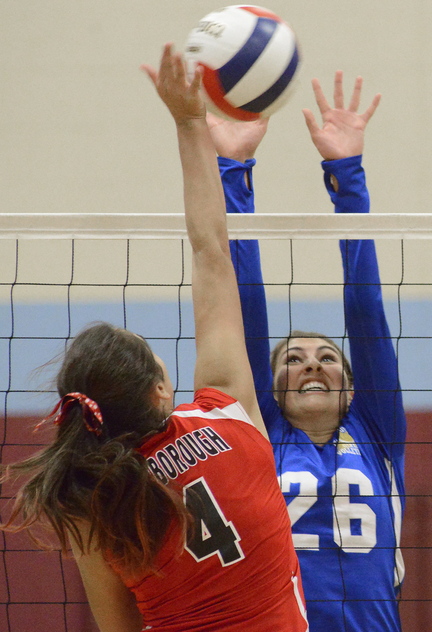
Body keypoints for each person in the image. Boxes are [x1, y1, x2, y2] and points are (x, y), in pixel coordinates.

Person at [0, 46, 309, 632]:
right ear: (161, 392)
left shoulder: (94, 504)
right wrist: (191, 125)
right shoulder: (228, 416)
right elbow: (212, 253)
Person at [209, 72, 406, 632]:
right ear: (268, 387)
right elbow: (243, 303)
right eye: (292, 359)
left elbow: (365, 307)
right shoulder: (260, 432)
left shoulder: (378, 431)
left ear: (351, 384)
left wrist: (348, 175)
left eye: (327, 357)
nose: (313, 362)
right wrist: (234, 174)